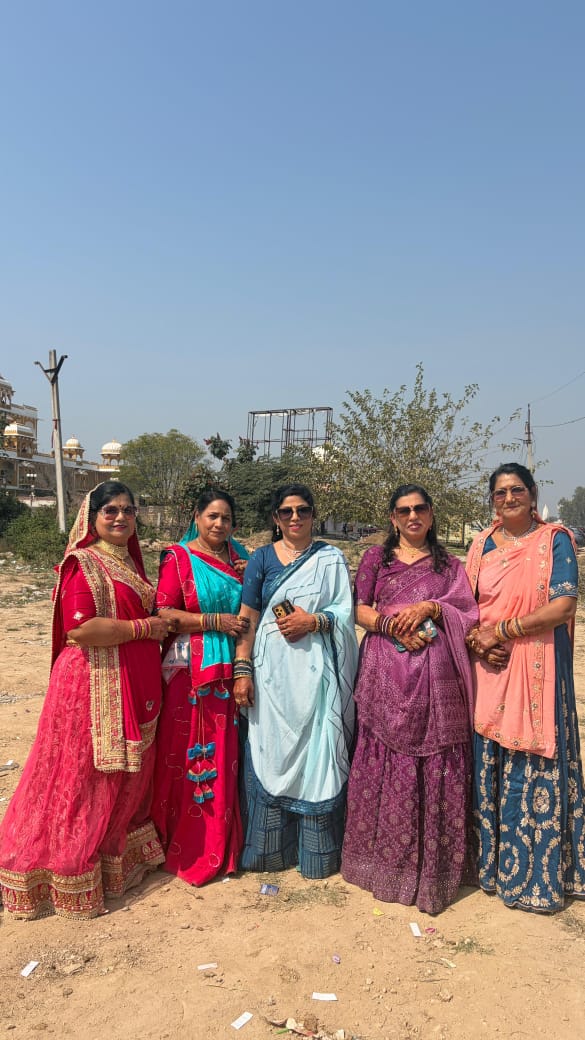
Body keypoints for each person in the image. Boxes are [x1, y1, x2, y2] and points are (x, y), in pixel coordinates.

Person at [0, 481, 172, 920]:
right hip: (90, 683)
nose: (120, 517)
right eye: (110, 510)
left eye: (128, 510)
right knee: (81, 776)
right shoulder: (84, 563)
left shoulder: (129, 562)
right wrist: (144, 629)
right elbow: (80, 628)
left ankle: (114, 863)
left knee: (123, 775)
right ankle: (62, 871)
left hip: (130, 680)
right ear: (91, 518)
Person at [341, 484, 479, 914]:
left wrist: (433, 608)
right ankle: (379, 864)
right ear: (393, 518)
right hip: (385, 673)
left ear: (432, 514)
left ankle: (435, 870)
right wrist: (390, 625)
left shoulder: (450, 566)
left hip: (438, 681)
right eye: (404, 510)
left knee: (438, 760)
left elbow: (467, 613)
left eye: (420, 508)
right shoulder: (375, 559)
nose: (413, 516)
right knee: (382, 754)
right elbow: (358, 608)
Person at [466, 463, 585, 912]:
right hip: (489, 668)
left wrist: (503, 631)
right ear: (492, 500)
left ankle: (538, 878)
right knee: (490, 760)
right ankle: (491, 868)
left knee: (534, 763)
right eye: (500, 492)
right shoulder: (481, 544)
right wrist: (476, 641)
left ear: (533, 494)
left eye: (517, 490)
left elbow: (563, 606)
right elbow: (466, 607)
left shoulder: (554, 540)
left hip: (538, 667)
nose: (508, 498)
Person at [234, 483, 358, 879]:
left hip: (319, 679)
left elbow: (346, 612)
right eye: (286, 511)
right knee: (271, 751)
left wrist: (314, 620)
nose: (295, 518)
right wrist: (243, 669)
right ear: (275, 518)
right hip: (272, 678)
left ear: (313, 515)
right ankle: (270, 853)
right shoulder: (261, 559)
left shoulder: (330, 558)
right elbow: (248, 617)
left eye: (303, 510)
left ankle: (317, 856)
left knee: (318, 754)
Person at [151, 490, 249, 885]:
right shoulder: (179, 558)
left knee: (223, 754)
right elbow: (164, 612)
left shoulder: (240, 559)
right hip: (189, 673)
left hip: (229, 671)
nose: (219, 524)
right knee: (183, 752)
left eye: (226, 518)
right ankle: (180, 843)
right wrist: (214, 621)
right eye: (212, 516)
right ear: (197, 517)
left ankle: (218, 844)